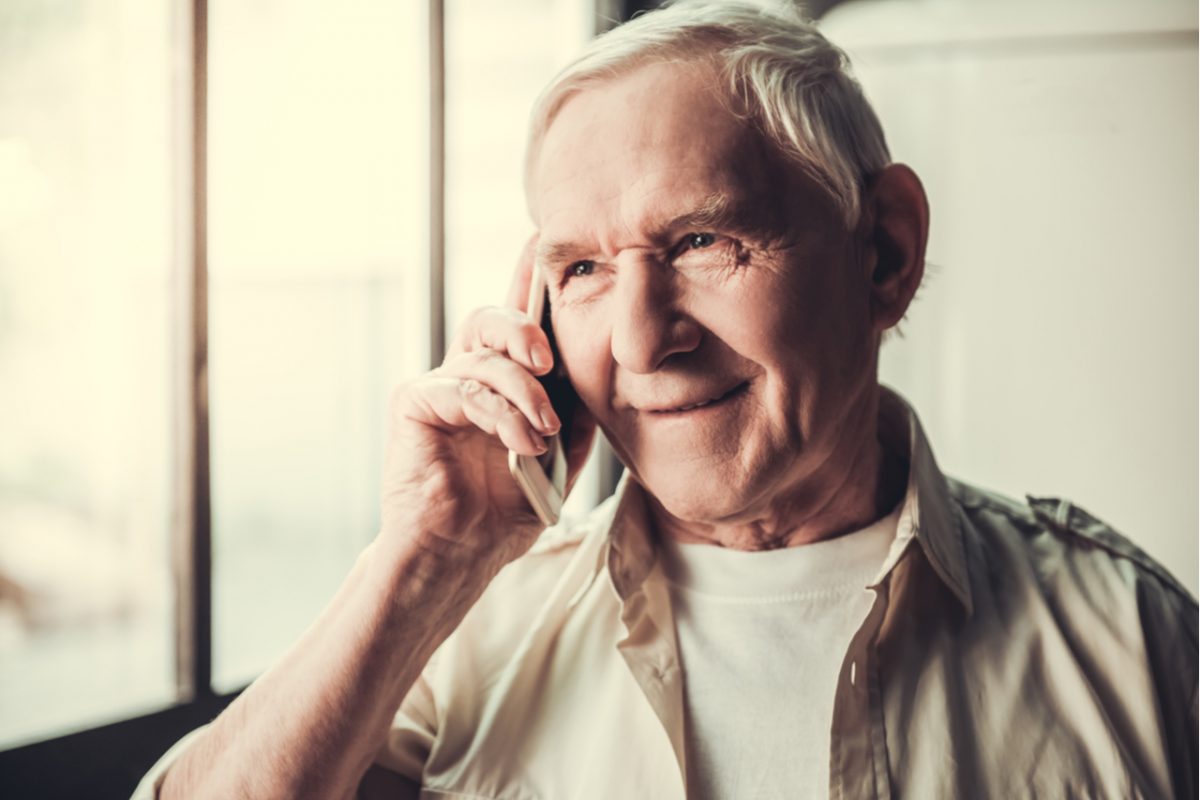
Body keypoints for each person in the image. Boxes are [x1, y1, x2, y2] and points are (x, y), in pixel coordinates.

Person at [135, 2, 1198, 798]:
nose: (642, 341)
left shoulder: (1131, 638)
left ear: (884, 251)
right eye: (584, 269)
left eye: (702, 242)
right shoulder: (458, 631)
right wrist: (425, 558)